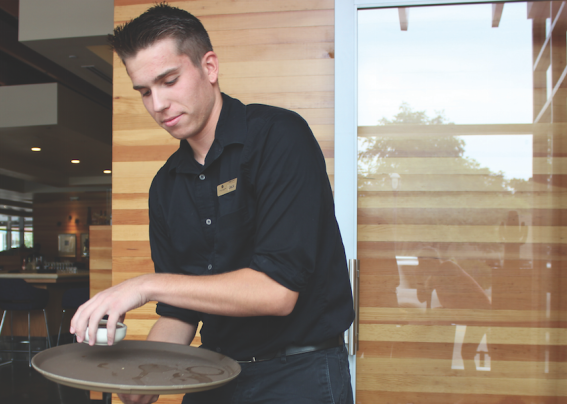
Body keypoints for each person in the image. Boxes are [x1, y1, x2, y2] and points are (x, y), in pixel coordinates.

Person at [70, 4, 354, 404]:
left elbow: (277, 292)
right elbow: (179, 313)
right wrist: (144, 379)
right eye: (145, 91)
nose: (158, 104)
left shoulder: (280, 137)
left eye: (169, 80)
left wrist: (143, 285)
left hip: (301, 375)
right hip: (215, 374)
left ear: (209, 67)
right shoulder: (165, 186)